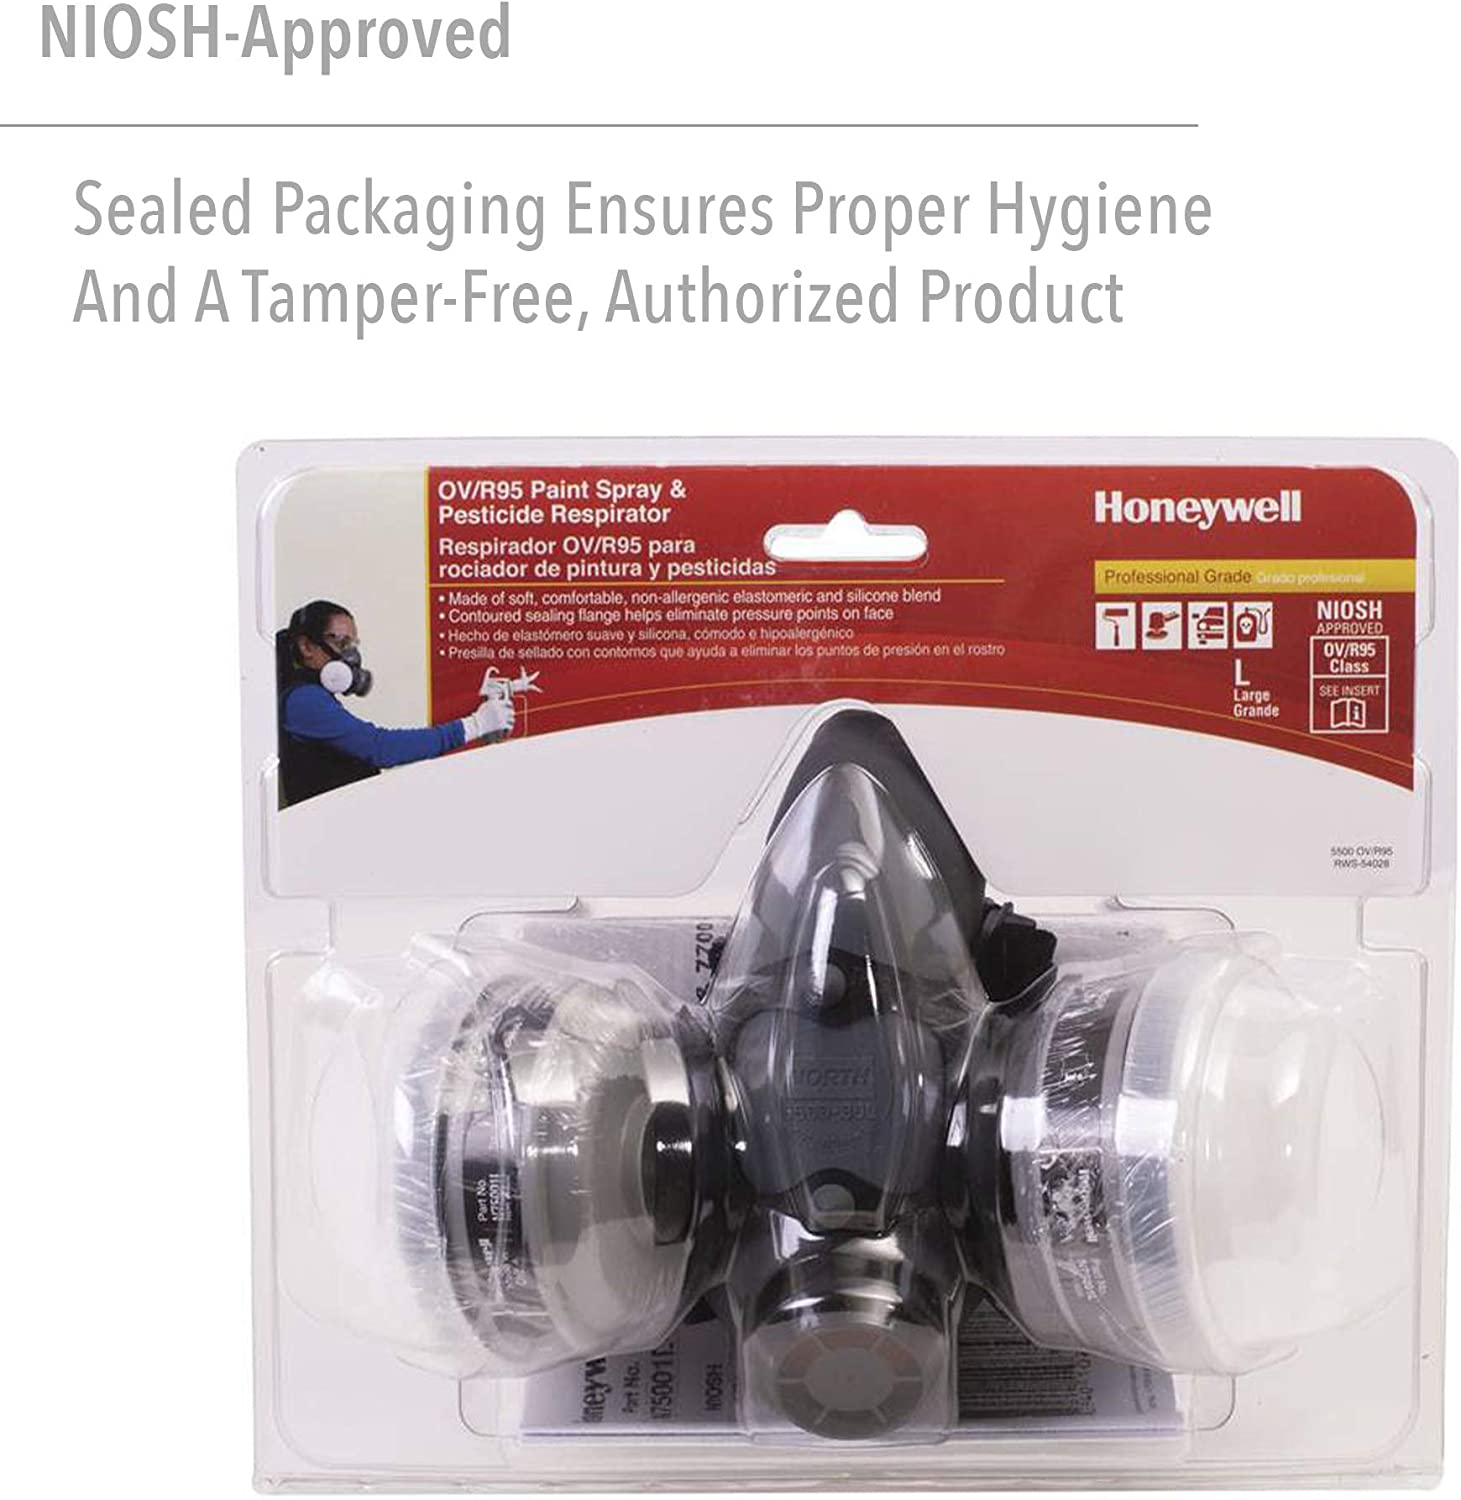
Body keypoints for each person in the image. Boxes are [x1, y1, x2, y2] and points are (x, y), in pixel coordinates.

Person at [276, 599, 512, 807]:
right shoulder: (303, 701)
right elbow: (381, 748)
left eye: (352, 645)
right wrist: (475, 725)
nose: (351, 657)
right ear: (306, 646)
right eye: (341, 642)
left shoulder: (311, 696)